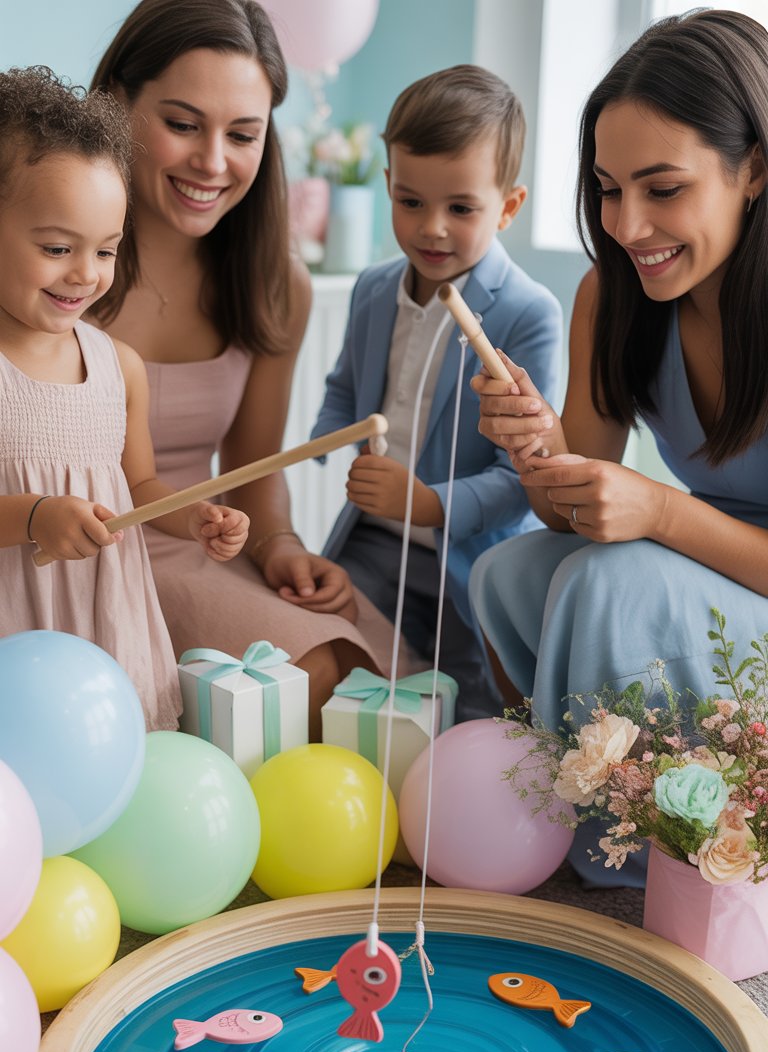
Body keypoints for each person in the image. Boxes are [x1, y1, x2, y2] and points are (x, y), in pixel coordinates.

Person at [468, 8, 768, 884]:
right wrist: (536, 449)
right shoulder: (615, 295)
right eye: (607, 187)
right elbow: (556, 510)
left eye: (663, 188)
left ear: (754, 168)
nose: (629, 224)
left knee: (608, 579)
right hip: (712, 573)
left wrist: (660, 510)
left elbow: (643, 523)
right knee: (510, 572)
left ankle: (628, 851)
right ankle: (582, 804)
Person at [89, 0, 399, 739]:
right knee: (308, 685)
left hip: (206, 539)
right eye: (183, 123)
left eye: (243, 134)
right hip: (89, 547)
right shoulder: (55, 260)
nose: (213, 161)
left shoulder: (271, 280)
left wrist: (282, 547)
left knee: (374, 685)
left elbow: (256, 463)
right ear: (115, 106)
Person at [0, 66, 249, 732]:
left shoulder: (120, 366)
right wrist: (34, 516)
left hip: (104, 622)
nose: (85, 274)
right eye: (57, 248)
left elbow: (139, 486)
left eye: (106, 250)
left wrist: (192, 516)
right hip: (15, 633)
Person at [312, 66, 562, 720]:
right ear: (389, 185)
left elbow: (523, 479)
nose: (432, 229)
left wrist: (429, 504)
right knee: (331, 657)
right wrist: (323, 438)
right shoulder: (372, 290)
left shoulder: (530, 313)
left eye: (461, 208)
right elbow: (346, 384)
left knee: (477, 700)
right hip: (373, 543)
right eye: (411, 202)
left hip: (472, 559)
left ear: (508, 206)